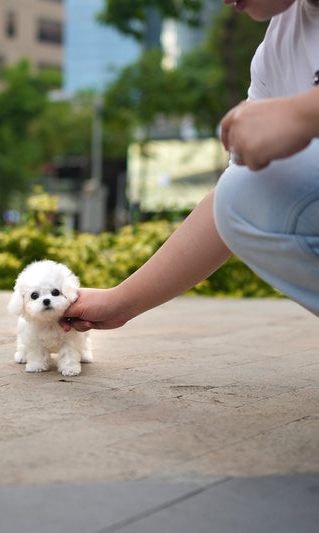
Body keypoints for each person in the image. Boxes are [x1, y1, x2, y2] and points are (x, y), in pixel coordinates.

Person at [62, 0, 319, 332]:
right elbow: (237, 199)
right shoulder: (279, 46)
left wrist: (300, 114)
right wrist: (121, 302)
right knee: (248, 192)